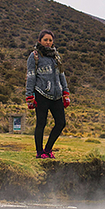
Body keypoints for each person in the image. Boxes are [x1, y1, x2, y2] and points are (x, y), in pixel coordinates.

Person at [25, 30, 70, 159]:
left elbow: (61, 74)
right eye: (45, 40)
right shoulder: (34, 56)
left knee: (61, 123)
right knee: (41, 123)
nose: (48, 42)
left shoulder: (56, 56)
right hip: (41, 94)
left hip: (57, 95)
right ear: (40, 41)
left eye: (50, 40)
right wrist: (29, 96)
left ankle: (48, 149)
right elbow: (31, 76)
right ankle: (39, 152)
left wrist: (65, 92)